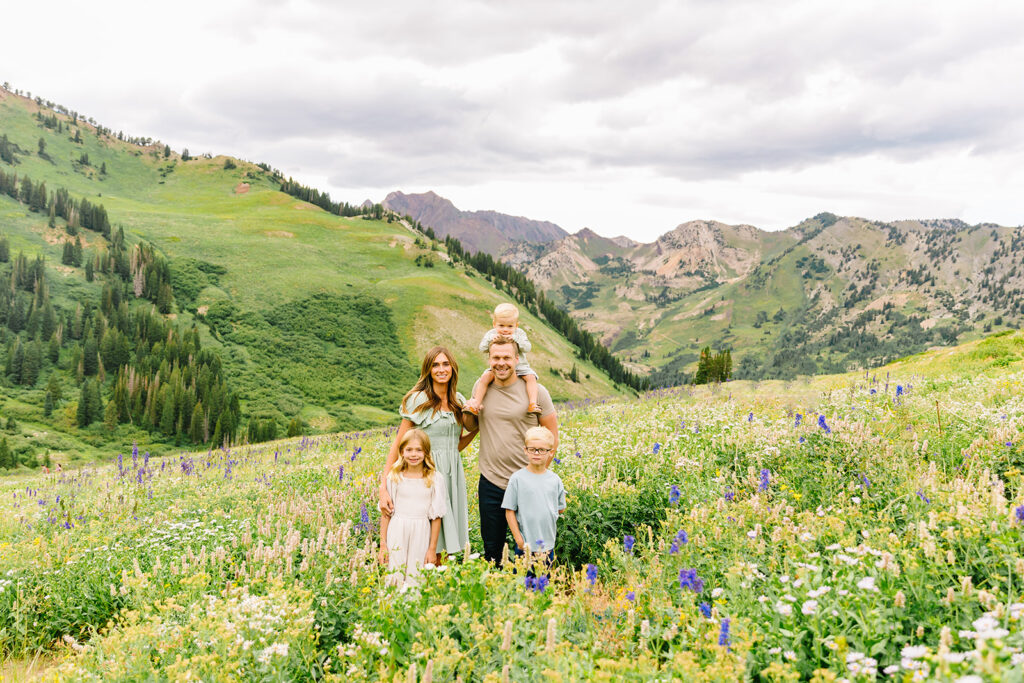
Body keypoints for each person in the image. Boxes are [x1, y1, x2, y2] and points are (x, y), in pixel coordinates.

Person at [378, 346, 476, 558]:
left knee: (446, 542)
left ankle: (439, 585)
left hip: (452, 475)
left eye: (445, 364)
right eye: (435, 365)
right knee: (427, 539)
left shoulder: (458, 400)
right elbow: (398, 445)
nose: (441, 369)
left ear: (453, 368)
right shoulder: (418, 400)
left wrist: (478, 429)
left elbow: (454, 445)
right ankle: (421, 582)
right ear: (428, 370)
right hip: (425, 476)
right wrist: (384, 487)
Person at [474, 335, 558, 564]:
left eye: (507, 358)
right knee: (493, 550)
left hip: (527, 483)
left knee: (535, 549)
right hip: (492, 481)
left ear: (517, 359)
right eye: (496, 357)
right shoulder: (481, 388)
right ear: (489, 359)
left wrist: (538, 476)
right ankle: (499, 594)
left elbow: (552, 437)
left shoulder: (537, 392)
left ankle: (534, 595)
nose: (501, 363)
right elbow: (472, 423)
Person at [378, 429, 447, 586]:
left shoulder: (435, 478)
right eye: (409, 450)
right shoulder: (394, 476)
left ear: (426, 453)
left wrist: (432, 549)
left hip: (421, 531)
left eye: (418, 450)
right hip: (397, 530)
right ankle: (392, 609)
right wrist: (383, 545)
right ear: (402, 452)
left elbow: (436, 517)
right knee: (394, 574)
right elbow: (386, 514)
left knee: (416, 576)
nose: (413, 454)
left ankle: (412, 609)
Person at [502, 426, 565, 573]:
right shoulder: (517, 479)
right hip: (525, 545)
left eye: (542, 450)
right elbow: (509, 511)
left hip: (547, 545)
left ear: (551, 453)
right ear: (525, 450)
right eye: (532, 449)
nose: (536, 453)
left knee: (544, 584)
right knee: (524, 584)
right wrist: (519, 539)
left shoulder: (555, 480)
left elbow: (560, 507)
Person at [464, 303, 541, 416]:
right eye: (501, 326)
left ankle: (533, 403)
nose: (505, 330)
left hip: (521, 366)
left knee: (531, 377)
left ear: (516, 325)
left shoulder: (519, 334)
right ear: (494, 324)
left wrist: (516, 339)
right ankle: (476, 403)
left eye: (510, 326)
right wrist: (490, 340)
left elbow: (527, 347)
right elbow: (482, 348)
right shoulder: (491, 334)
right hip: (499, 368)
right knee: (485, 377)